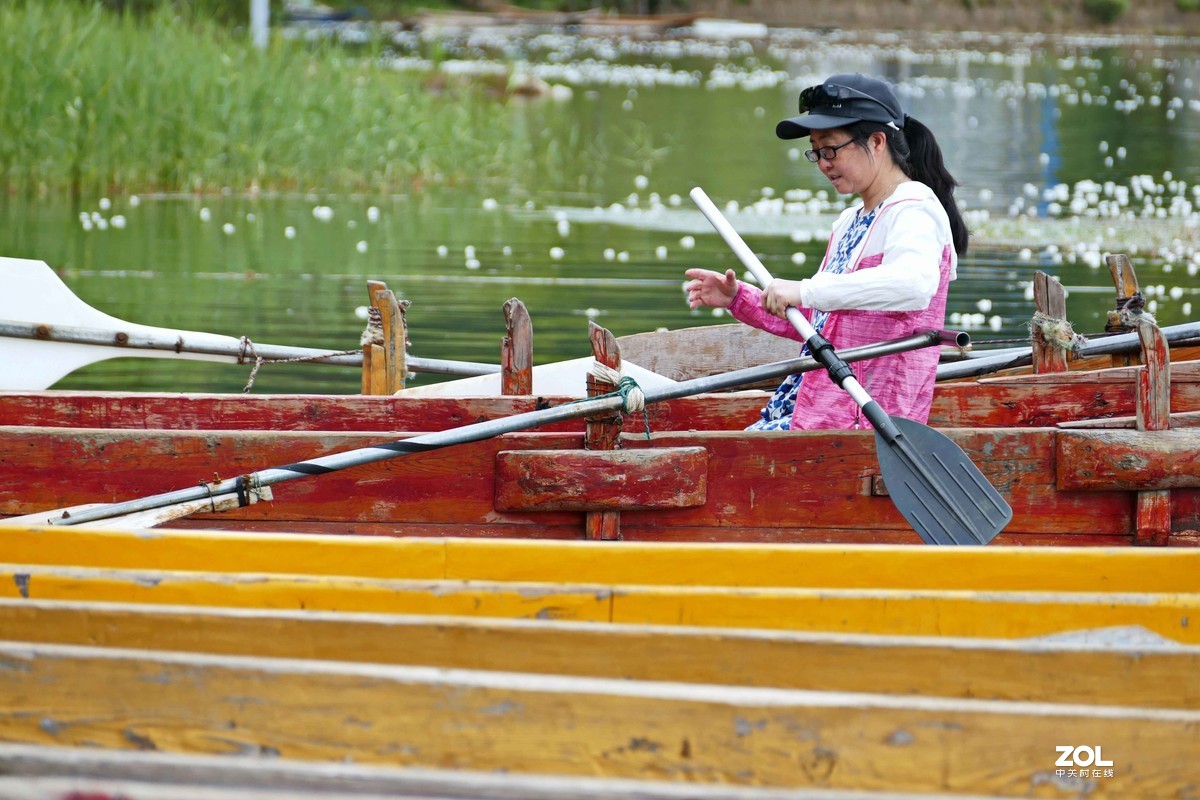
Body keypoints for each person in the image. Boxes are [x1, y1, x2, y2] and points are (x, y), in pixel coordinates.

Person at [684, 73, 967, 431]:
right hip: (810, 409)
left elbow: (914, 285)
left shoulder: (913, 208)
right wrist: (740, 297)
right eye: (815, 151)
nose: (823, 163)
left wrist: (805, 289)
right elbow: (820, 321)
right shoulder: (850, 221)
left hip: (869, 426)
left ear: (877, 141)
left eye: (831, 149)